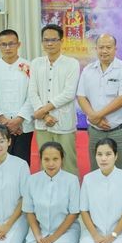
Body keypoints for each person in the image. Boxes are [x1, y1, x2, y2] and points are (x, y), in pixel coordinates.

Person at [18, 141, 80, 243]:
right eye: (46, 159)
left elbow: (73, 214)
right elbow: (29, 211)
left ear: (62, 159)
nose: (51, 164)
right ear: (40, 160)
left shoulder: (72, 180)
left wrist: (52, 238)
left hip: (65, 232)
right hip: (41, 230)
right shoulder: (32, 180)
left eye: (55, 159)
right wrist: (38, 236)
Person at [77, 33, 122, 172]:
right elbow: (81, 96)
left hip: (120, 130)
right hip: (95, 131)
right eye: (101, 47)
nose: (104, 51)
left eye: (108, 47)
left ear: (115, 49)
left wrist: (97, 116)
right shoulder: (88, 70)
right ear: (96, 49)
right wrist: (94, 118)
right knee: (97, 171)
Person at [28, 24, 81, 175]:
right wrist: (45, 116)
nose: (49, 43)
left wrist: (43, 110)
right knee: (45, 162)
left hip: (63, 121)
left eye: (53, 40)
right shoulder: (36, 63)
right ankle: (46, 189)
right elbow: (32, 92)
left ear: (61, 41)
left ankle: (72, 190)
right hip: (42, 123)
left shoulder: (72, 63)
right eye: (46, 40)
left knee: (68, 162)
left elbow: (69, 93)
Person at [0, 29, 34, 162]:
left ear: (19, 44)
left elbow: (32, 96)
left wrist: (18, 120)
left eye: (11, 43)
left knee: (22, 162)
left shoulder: (30, 66)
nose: (8, 48)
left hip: (22, 127)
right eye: (4, 44)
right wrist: (5, 123)